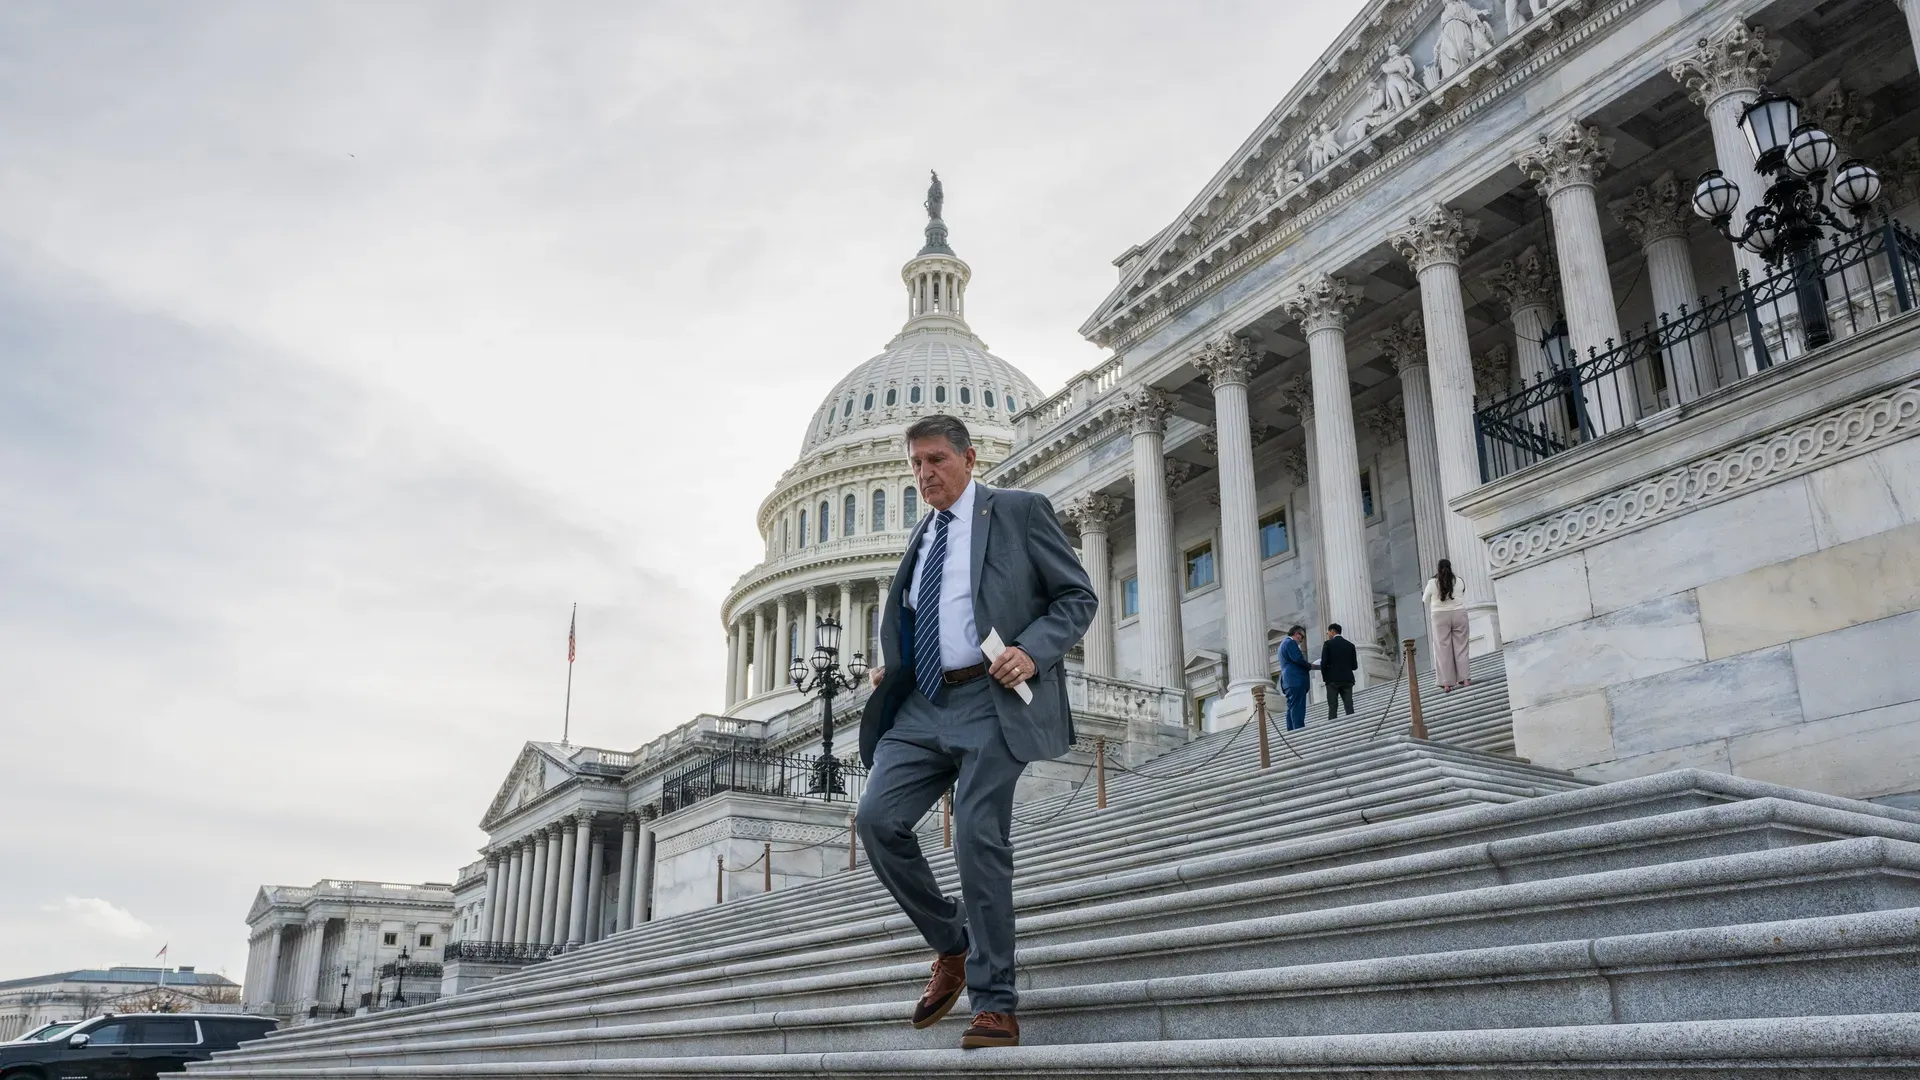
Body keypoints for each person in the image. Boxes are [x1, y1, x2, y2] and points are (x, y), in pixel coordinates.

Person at [856, 414, 1096, 1050]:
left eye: (935, 459)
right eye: (916, 464)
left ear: (968, 458)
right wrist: (898, 663)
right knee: (877, 820)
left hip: (993, 700)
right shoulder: (924, 534)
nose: (924, 474)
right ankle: (952, 944)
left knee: (976, 834)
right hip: (922, 705)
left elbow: (1077, 598)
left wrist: (1032, 649)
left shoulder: (1018, 511)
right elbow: (923, 613)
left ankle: (995, 1003)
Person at [1423, 558, 1471, 691]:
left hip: (1439, 616)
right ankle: (1465, 679)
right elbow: (1462, 593)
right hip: (1459, 613)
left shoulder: (1432, 583)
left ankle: (1446, 683)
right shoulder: (1459, 580)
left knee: (1442, 650)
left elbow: (1425, 599)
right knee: (1461, 647)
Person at [1277, 625, 1315, 731]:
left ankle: (1291, 731)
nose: (1302, 640)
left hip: (1289, 681)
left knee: (1292, 707)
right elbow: (1297, 659)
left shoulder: (1283, 644)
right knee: (1298, 707)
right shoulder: (1290, 643)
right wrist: (1310, 666)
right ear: (1297, 634)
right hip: (1295, 680)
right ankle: (1299, 730)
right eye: (1302, 637)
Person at [1320, 623, 1358, 720]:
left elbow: (1324, 663)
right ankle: (1352, 723)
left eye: (1327, 633)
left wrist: (1325, 678)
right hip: (1348, 679)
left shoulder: (1328, 644)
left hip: (1332, 679)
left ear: (1332, 631)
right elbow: (1354, 666)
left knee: (1333, 706)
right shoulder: (1350, 645)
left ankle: (1332, 727)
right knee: (1349, 705)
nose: (1327, 635)